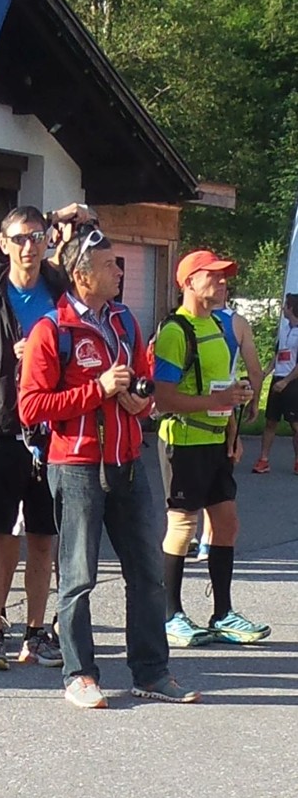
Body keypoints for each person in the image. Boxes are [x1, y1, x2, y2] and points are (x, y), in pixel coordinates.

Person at [18, 228, 195, 707]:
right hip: (76, 466)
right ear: (81, 276)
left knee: (148, 572)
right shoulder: (51, 330)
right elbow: (31, 408)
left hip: (128, 461)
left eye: (118, 263)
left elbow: (144, 383)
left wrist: (139, 400)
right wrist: (97, 389)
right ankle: (79, 675)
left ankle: (152, 673)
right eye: (110, 264)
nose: (119, 271)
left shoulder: (124, 320)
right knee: (78, 578)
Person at [0, 204, 77, 670]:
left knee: (44, 537)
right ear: (3, 244)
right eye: (20, 238)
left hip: (53, 431)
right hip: (2, 429)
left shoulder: (62, 294)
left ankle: (36, 632)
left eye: (37, 237)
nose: (29, 247)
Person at [153, 249, 269, 648]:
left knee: (226, 523)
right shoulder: (175, 331)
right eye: (213, 276)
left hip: (217, 442)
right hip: (184, 440)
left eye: (224, 276)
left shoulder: (219, 327)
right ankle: (170, 615)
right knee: (183, 526)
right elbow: (163, 397)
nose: (222, 282)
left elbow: (225, 389)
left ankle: (222, 614)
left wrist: (232, 429)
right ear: (189, 282)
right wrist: (215, 403)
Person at [252, 290, 298, 474]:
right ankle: (263, 460)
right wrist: (266, 372)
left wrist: (286, 381)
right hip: (277, 379)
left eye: (285, 305)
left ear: (291, 308)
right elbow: (278, 355)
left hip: (293, 382)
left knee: (295, 425)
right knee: (271, 421)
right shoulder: (284, 329)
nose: (283, 308)